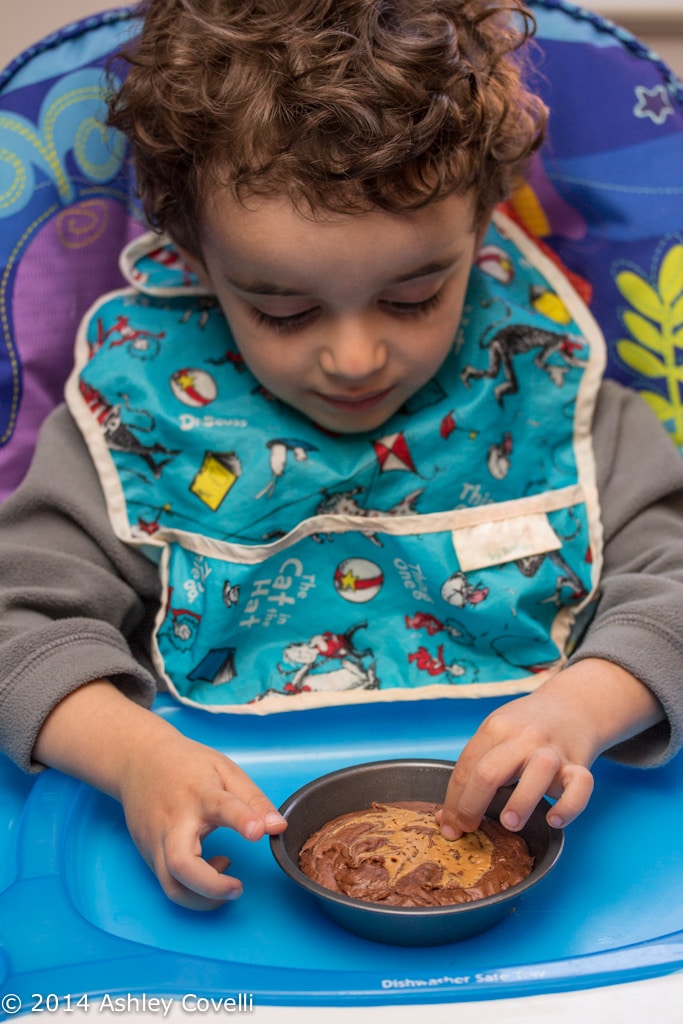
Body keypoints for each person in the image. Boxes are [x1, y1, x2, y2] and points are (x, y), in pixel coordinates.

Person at [1, 0, 683, 913]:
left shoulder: (548, 394)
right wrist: (134, 757)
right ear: (196, 257)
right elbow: (17, 628)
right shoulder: (141, 417)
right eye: (282, 311)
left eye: (412, 297)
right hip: (230, 851)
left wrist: (583, 710)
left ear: (480, 234)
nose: (355, 358)